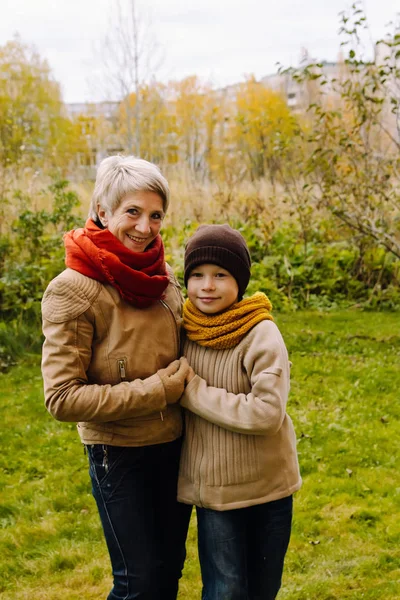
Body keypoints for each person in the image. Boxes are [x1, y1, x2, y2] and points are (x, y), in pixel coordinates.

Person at [41, 155, 192, 600]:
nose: (145, 227)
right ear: (103, 212)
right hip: (119, 454)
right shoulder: (72, 288)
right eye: (133, 212)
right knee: (137, 582)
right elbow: (62, 398)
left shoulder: (162, 278)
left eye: (156, 215)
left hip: (175, 445)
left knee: (168, 572)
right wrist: (159, 391)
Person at [178, 224, 302, 600]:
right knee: (225, 589)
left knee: (264, 588)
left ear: (240, 281)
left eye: (220, 275)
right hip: (216, 492)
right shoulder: (182, 329)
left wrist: (193, 391)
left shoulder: (261, 333)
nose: (207, 286)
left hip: (269, 487)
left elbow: (266, 412)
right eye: (197, 275)